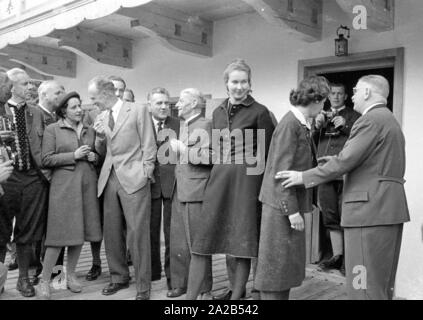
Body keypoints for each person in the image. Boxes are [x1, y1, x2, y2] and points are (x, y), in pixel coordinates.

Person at [279, 75, 409, 300]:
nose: (354, 96)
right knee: (379, 282)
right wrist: (332, 161)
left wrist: (304, 176)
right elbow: (371, 162)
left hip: (367, 211)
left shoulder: (370, 120)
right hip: (388, 208)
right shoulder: (388, 119)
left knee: (361, 282)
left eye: (356, 91)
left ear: (367, 93)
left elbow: (346, 161)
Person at [187, 59, 275, 300]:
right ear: (226, 83)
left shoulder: (260, 112)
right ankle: (189, 301)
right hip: (218, 181)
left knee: (241, 246)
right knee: (201, 244)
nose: (239, 86)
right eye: (234, 81)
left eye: (244, 81)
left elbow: (266, 157)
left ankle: (236, 299)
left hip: (246, 185)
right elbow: (216, 149)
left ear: (250, 83)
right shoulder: (216, 112)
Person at [254, 76, 330, 300]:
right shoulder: (290, 125)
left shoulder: (299, 123)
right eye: (323, 101)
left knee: (283, 269)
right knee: (275, 271)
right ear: (316, 100)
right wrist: (292, 211)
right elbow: (280, 173)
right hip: (281, 206)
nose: (324, 106)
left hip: (285, 206)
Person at [91, 76, 156, 300]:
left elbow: (149, 142)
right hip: (109, 178)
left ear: (106, 94)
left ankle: (143, 286)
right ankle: (118, 277)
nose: (93, 102)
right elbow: (102, 151)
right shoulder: (100, 116)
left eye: (94, 97)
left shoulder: (137, 109)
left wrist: (146, 171)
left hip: (134, 177)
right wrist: (99, 138)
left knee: (137, 234)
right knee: (111, 231)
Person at [37, 92, 102, 299]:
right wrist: (73, 156)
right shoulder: (52, 129)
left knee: (79, 235)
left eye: (80, 105)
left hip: (86, 187)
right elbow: (46, 159)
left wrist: (94, 156)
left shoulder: (90, 131)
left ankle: (71, 275)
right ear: (64, 110)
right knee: (57, 237)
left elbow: (97, 156)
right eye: (74, 107)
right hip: (64, 189)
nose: (79, 109)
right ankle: (45, 281)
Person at [0, 68, 49, 297]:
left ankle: (23, 280)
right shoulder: (1, 110)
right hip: (7, 178)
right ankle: (1, 281)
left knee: (27, 230)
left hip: (32, 178)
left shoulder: (36, 112)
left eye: (31, 83)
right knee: (1, 230)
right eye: (25, 83)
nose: (30, 87)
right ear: (12, 86)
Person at [168, 88, 213, 299]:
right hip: (181, 188)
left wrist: (184, 150)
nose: (176, 105)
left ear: (195, 103)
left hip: (196, 191)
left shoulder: (206, 125)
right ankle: (182, 284)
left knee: (198, 244)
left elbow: (211, 157)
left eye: (181, 101)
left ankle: (204, 290)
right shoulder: (185, 125)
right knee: (179, 241)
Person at [313, 83, 360, 275]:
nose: (336, 96)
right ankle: (337, 256)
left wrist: (346, 126)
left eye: (340, 93)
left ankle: (348, 261)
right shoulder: (320, 115)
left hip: (346, 175)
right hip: (325, 173)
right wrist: (315, 126)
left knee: (346, 217)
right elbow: (312, 140)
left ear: (346, 96)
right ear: (328, 96)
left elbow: (361, 141)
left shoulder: (355, 116)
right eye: (333, 93)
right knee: (330, 216)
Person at [147, 87, 179, 291]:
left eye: (166, 103)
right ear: (149, 105)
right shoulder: (142, 124)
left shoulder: (178, 124)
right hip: (148, 185)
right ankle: (151, 272)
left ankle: (172, 276)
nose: (163, 106)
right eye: (158, 103)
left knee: (171, 234)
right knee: (149, 231)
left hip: (171, 185)